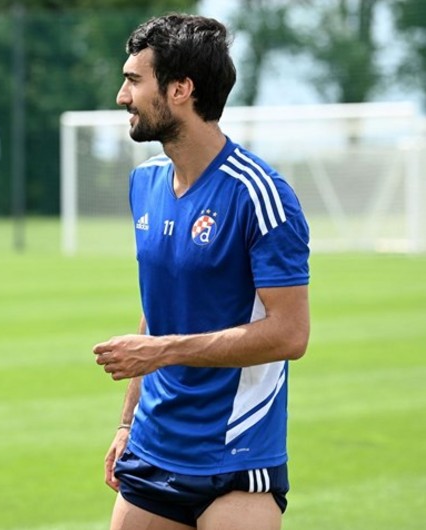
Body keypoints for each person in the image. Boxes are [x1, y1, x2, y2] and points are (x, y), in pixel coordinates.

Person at [92, 14, 310, 530]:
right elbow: (159, 307)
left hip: (237, 457)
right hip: (151, 448)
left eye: (134, 81)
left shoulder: (259, 194)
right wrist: (126, 422)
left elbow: (290, 334)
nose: (122, 97)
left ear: (180, 90)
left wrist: (164, 351)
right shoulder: (144, 183)